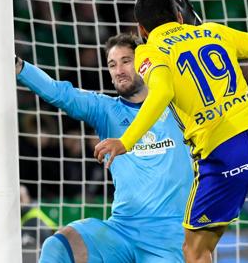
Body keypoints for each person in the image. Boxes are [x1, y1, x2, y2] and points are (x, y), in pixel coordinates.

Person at [94, 0, 248, 262]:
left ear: (141, 29)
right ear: (178, 15)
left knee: (195, 251)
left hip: (222, 156)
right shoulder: (214, 31)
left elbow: (161, 93)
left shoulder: (149, 51)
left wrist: (125, 141)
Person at [16, 33, 193, 262]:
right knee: (58, 246)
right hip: (122, 231)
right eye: (112, 65)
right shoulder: (106, 111)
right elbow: (60, 93)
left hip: (171, 239)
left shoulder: (179, 106)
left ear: (144, 63)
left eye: (126, 61)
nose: (119, 70)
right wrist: (20, 67)